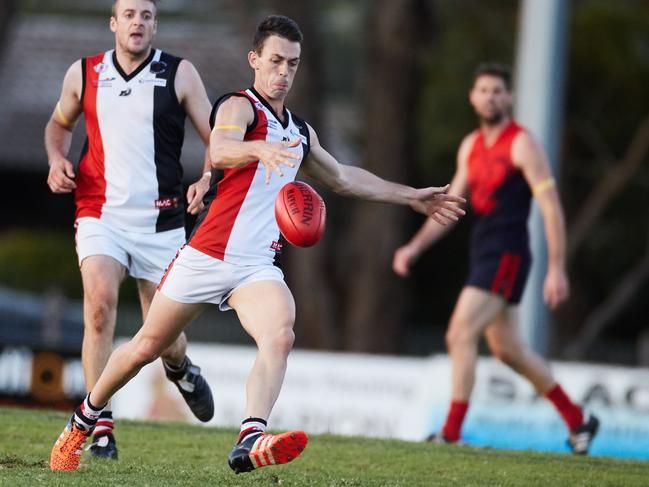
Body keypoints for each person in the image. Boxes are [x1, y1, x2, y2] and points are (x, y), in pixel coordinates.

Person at [49, 14, 466, 473]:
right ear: (254, 60)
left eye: (293, 63)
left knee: (280, 332)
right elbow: (222, 149)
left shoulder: (300, 133)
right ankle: (82, 421)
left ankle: (249, 437)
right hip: (206, 254)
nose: (283, 72)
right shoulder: (238, 106)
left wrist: (411, 196)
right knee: (148, 345)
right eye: (275, 61)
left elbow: (344, 178)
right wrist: (257, 150)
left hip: (254, 266)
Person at [392, 63, 599, 454]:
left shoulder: (522, 143)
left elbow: (550, 206)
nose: (490, 97)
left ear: (510, 97)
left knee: (459, 332)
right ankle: (578, 419)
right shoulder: (470, 146)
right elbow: (450, 209)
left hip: (508, 252)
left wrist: (556, 267)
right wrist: (414, 247)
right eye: (483, 90)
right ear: (473, 97)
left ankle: (450, 434)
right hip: (483, 250)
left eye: (498, 90)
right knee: (508, 351)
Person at [45, 0, 215, 461]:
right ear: (113, 23)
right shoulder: (84, 72)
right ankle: (101, 427)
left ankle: (180, 368)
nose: (138, 22)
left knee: (159, 337)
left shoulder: (181, 74)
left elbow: (215, 138)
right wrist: (57, 159)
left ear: (155, 24)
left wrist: (206, 176)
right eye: (130, 14)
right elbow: (59, 125)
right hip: (100, 213)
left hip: (162, 222)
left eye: (147, 15)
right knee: (99, 309)